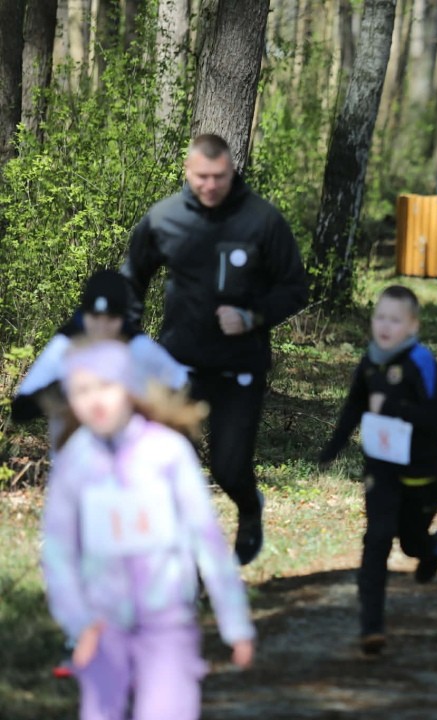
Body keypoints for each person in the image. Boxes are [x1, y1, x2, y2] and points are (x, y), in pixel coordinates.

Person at [41, 339, 255, 720]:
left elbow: (206, 538)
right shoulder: (74, 462)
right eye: (82, 391)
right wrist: (79, 623)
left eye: (106, 385)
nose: (96, 400)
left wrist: (234, 621)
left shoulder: (168, 452)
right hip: (101, 629)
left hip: (167, 625)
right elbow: (59, 553)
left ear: (130, 386)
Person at [122, 133, 309, 566]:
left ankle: (248, 507)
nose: (210, 185)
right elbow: (132, 278)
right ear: (188, 172)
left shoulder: (262, 220)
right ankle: (189, 568)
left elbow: (294, 288)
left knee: (228, 469)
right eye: (201, 177)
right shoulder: (165, 218)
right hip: (178, 366)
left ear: (231, 171)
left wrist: (252, 317)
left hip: (239, 367)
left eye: (219, 177)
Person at [318, 286, 437, 656]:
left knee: (410, 542)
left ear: (412, 326)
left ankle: (431, 547)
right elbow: (354, 406)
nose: (385, 326)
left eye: (395, 320)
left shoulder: (421, 361)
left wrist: (394, 409)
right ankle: (371, 628)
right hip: (382, 467)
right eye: (380, 317)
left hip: (424, 470)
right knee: (376, 538)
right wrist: (332, 447)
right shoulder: (370, 360)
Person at [11, 269, 191, 452]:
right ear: (84, 314)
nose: (102, 328)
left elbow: (185, 386)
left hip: (130, 461)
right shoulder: (64, 345)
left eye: (111, 318)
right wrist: (73, 386)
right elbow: (21, 410)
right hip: (74, 459)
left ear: (123, 318)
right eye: (95, 317)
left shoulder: (137, 345)